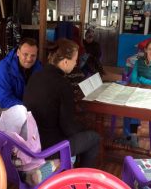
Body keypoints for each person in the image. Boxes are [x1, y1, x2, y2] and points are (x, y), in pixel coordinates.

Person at [23, 39, 100, 168]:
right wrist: (85, 128)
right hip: (50, 146)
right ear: (65, 62)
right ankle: (81, 179)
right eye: (75, 60)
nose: (76, 63)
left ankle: (73, 168)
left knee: (83, 133)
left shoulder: (35, 75)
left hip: (31, 139)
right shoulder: (63, 85)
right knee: (94, 138)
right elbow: (68, 128)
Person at [121, 39, 151, 147]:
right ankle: (129, 136)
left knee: (136, 105)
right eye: (150, 49)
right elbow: (133, 79)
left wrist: (141, 79)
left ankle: (132, 135)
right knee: (129, 105)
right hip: (138, 91)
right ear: (145, 50)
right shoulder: (139, 62)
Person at [0, 37, 42, 116]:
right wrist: (26, 107)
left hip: (24, 103)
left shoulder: (38, 67)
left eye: (33, 55)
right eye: (25, 54)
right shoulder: (3, 68)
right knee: (20, 117)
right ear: (18, 52)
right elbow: (4, 99)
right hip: (1, 103)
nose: (29, 59)